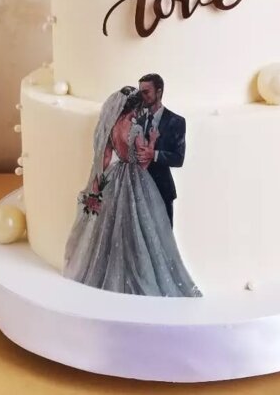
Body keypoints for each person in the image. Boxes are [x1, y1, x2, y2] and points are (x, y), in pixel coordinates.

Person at [62, 85, 200, 297]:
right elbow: (142, 161)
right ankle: (137, 269)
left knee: (111, 226)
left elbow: (105, 158)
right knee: (139, 226)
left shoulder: (111, 128)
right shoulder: (135, 129)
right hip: (135, 177)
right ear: (134, 108)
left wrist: (98, 183)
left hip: (115, 176)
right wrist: (152, 140)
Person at [135, 73, 186, 227]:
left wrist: (154, 154)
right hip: (139, 191)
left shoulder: (176, 121)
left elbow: (178, 158)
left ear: (159, 92)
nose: (142, 97)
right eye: (140, 93)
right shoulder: (137, 121)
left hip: (163, 190)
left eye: (146, 92)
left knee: (164, 235)